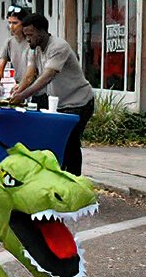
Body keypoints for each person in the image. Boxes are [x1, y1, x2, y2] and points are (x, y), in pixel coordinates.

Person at [7, 13, 95, 175]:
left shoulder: (58, 47)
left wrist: (23, 95)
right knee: (57, 142)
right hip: (59, 103)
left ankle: (73, 180)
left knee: (70, 142)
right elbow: (30, 75)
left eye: (30, 35)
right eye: (25, 35)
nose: (27, 39)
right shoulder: (35, 49)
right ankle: (60, 176)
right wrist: (17, 91)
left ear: (41, 32)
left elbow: (47, 76)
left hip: (79, 102)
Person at [0, 5, 31, 100]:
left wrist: (23, 84)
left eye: (15, 23)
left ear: (23, 23)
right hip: (18, 87)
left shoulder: (31, 42)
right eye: (9, 23)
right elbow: (0, 67)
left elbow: (34, 71)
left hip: (34, 89)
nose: (11, 27)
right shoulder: (9, 43)